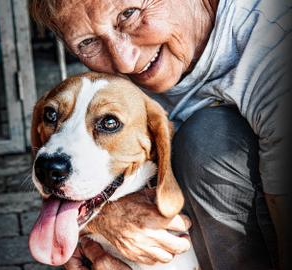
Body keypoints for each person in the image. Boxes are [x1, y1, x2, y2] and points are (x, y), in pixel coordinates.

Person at [30, 0, 291, 269]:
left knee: (208, 139)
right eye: (86, 42)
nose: (124, 61)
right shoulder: (112, 83)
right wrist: (86, 224)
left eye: (129, 15)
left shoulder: (276, 48)